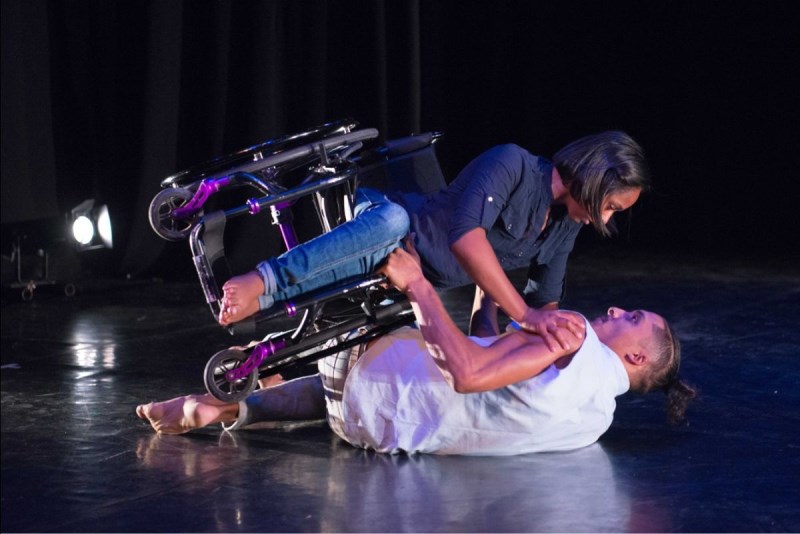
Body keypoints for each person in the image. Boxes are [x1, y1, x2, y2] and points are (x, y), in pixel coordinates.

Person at [137, 241, 695, 456]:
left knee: (377, 235)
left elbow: (470, 374)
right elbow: (495, 376)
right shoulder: (593, 422)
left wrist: (419, 285)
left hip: (361, 364)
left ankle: (257, 311)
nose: (619, 312)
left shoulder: (576, 334)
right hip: (367, 427)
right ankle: (232, 406)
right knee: (372, 378)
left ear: (638, 359)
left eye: (635, 318)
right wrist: (489, 293)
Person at [217, 131, 649, 348]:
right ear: (594, 180)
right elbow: (467, 239)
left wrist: (516, 335)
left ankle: (270, 363)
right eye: (610, 206)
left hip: (410, 276)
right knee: (393, 221)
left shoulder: (564, 227)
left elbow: (545, 302)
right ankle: (265, 280)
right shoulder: (513, 163)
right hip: (388, 221)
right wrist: (526, 316)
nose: (601, 220)